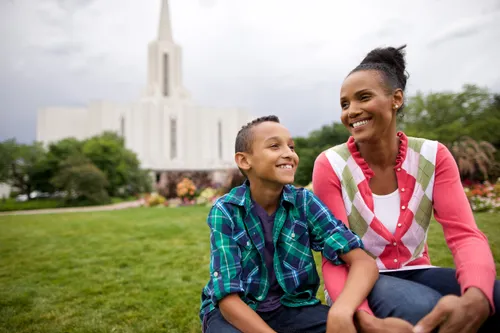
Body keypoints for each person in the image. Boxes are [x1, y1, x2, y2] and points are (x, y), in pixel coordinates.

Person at [312, 45, 500, 333]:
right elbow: (335, 256)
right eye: (345, 104)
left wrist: (477, 294)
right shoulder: (331, 164)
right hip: (356, 282)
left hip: (417, 270)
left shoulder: (433, 156)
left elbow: (465, 235)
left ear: (395, 99)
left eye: (364, 97)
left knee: (492, 296)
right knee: (420, 308)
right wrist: (361, 316)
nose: (352, 111)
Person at [199, 115, 379, 333]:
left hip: (293, 308)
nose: (289, 153)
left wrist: (342, 311)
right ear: (244, 160)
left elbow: (363, 262)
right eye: (275, 146)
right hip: (238, 313)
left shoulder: (304, 202)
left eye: (291, 147)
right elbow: (228, 299)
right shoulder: (226, 211)